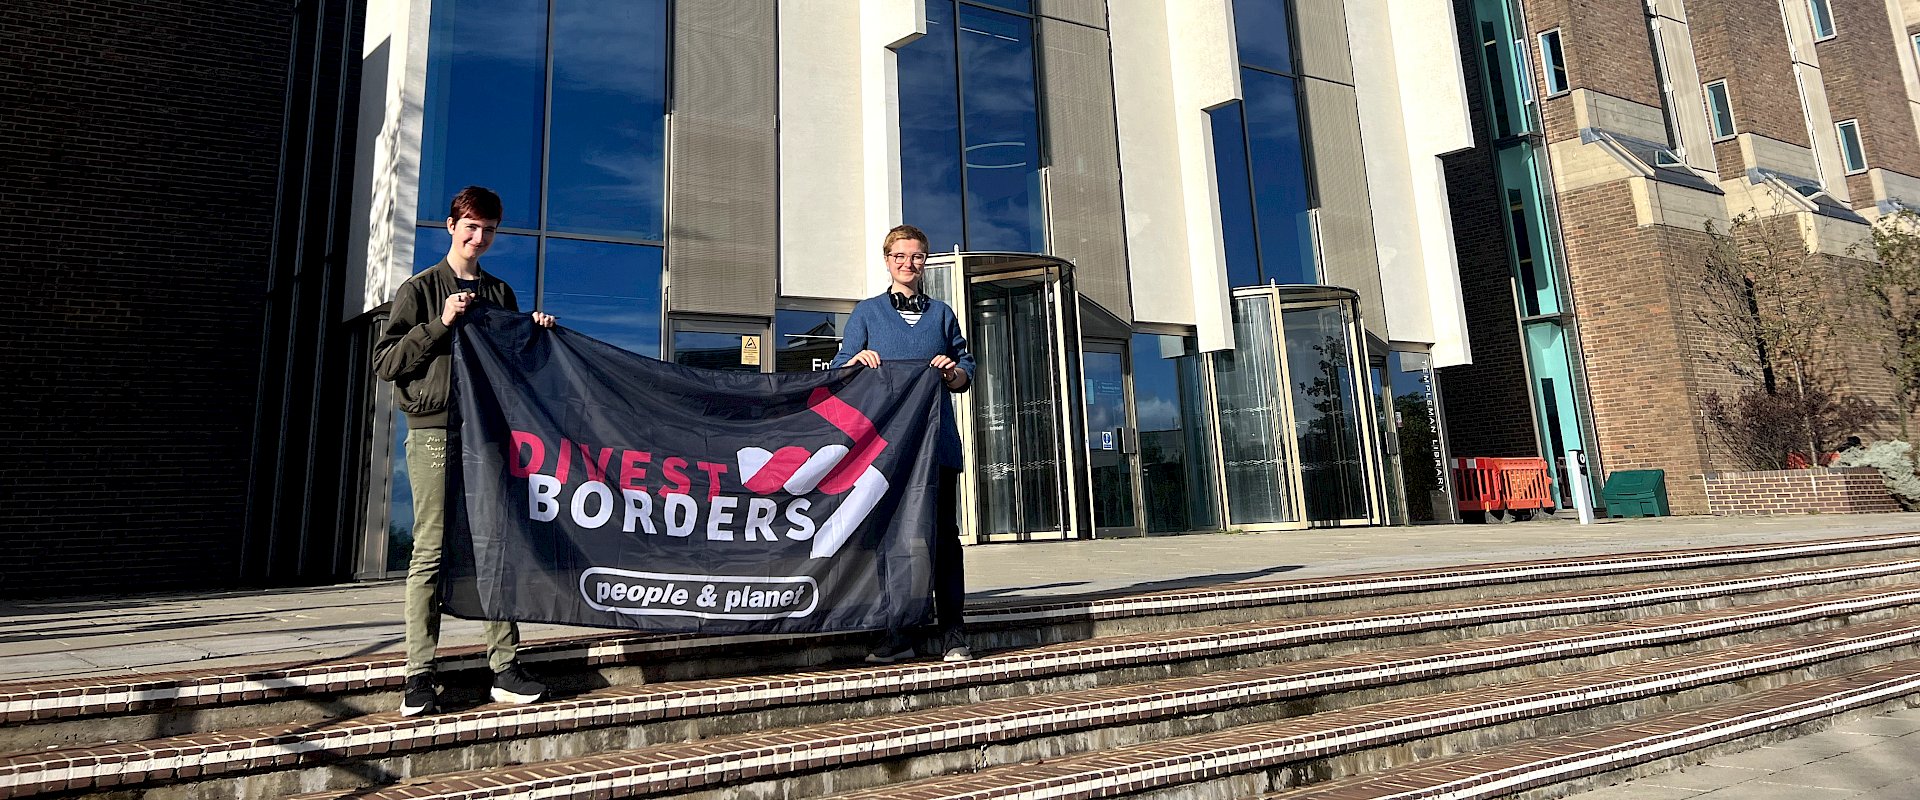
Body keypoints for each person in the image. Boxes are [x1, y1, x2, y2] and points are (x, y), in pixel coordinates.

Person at [373, 186, 558, 716]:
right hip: (434, 431)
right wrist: (441, 322)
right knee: (430, 550)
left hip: (488, 434)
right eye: (471, 227)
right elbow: (387, 363)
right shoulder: (420, 289)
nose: (480, 238)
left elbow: (518, 368)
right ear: (451, 226)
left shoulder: (500, 294)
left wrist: (537, 335)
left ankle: (503, 667)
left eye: (490, 230)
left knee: (495, 544)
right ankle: (418, 676)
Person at [831, 224, 977, 663]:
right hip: (885, 451)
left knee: (943, 538)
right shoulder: (867, 314)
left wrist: (952, 372)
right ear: (887, 260)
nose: (908, 264)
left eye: (916, 257)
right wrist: (857, 361)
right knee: (891, 540)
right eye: (900, 256)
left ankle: (953, 632)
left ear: (925, 261)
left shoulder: (943, 315)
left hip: (937, 447)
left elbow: (966, 371)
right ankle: (898, 633)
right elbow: (840, 369)